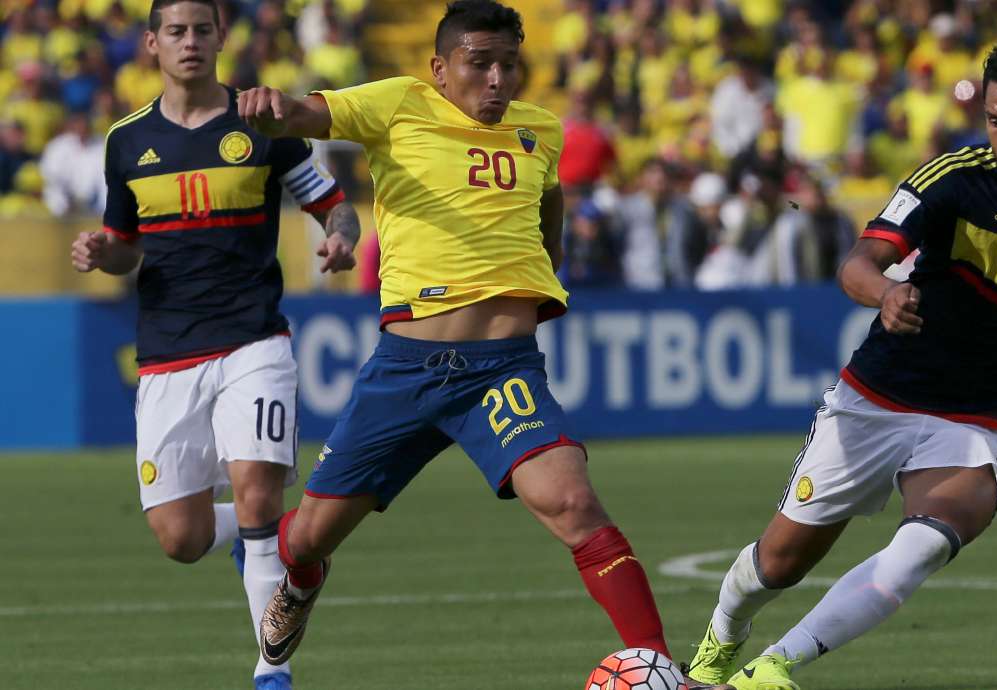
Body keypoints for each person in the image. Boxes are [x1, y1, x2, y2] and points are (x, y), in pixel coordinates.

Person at [682, 38, 997, 689]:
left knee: (929, 540)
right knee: (779, 563)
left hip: (975, 417)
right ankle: (723, 635)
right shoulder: (953, 181)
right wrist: (888, 291)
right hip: (879, 396)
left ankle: (777, 666)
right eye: (995, 120)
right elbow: (858, 264)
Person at [235, 0, 674, 670]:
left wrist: (517, 284)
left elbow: (548, 221)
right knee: (310, 539)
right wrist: (271, 107)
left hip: (502, 371)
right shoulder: (398, 105)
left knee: (575, 505)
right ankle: (299, 581)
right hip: (407, 369)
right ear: (440, 69)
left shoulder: (541, 132)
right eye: (479, 64)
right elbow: (301, 113)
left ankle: (664, 672)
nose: (497, 79)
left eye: (508, 64)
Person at [69, 1, 360, 688]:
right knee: (182, 538)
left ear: (222, 38)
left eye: (202, 29)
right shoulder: (126, 141)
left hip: (253, 341)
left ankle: (271, 672)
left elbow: (331, 200)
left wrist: (341, 234)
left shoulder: (261, 122)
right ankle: (258, 542)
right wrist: (99, 251)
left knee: (257, 496)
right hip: (168, 352)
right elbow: (124, 251)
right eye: (176, 31)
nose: (190, 42)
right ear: (152, 44)